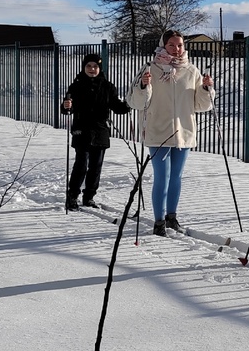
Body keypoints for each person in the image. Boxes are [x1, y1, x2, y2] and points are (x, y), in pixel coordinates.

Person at [127, 30, 214, 237]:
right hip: (158, 131)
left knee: (176, 177)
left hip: (183, 132)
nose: (176, 49)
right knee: (162, 177)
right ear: (163, 46)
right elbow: (136, 102)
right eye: (172, 45)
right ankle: (158, 222)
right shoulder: (151, 69)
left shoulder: (191, 70)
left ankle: (171, 218)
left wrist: (205, 88)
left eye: (180, 45)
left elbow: (202, 105)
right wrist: (143, 86)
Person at [61, 52, 132, 211]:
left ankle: (89, 197)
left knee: (96, 166)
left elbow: (117, 107)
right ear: (84, 67)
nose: (92, 69)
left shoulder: (107, 87)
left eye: (95, 66)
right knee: (81, 164)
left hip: (100, 131)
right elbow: (67, 107)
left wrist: (130, 103)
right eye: (89, 66)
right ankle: (72, 196)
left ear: (100, 68)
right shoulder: (76, 86)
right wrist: (66, 107)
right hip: (82, 129)